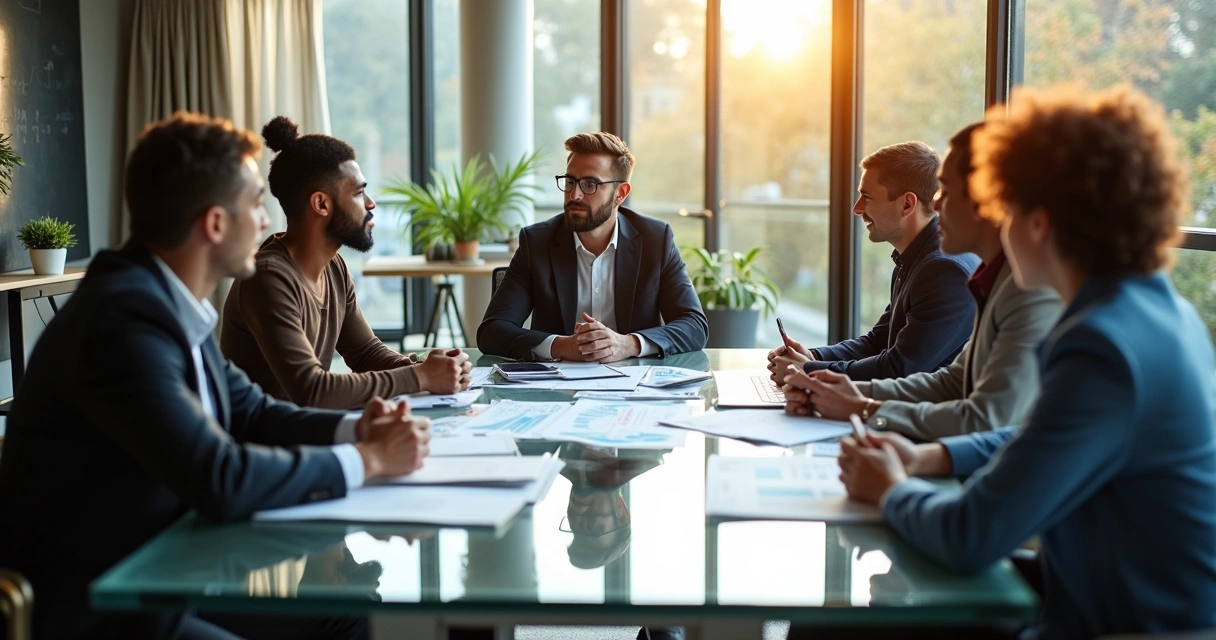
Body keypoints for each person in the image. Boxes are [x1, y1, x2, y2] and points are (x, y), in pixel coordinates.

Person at [0, 112, 432, 640]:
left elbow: (249, 410)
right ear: (215, 224)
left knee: (341, 610)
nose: (266, 220)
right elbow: (221, 476)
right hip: (99, 604)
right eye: (254, 203)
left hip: (170, 573)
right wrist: (364, 460)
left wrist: (358, 429)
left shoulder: (168, 299)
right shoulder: (121, 321)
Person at [834, 85, 1216, 639]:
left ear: (1036, 222)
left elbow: (973, 533)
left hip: (1123, 623)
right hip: (1104, 594)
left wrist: (891, 488)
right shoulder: (1158, 313)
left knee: (845, 621)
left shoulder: (1102, 347)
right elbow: (1032, 436)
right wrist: (930, 459)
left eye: (1001, 207)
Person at [782, 124, 1061, 440]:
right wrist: (834, 387)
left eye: (947, 193)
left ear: (990, 201)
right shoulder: (996, 278)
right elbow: (952, 382)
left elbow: (984, 418)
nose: (937, 205)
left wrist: (857, 405)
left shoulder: (1020, 288)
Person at [221, 116, 471, 411]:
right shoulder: (268, 277)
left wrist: (432, 368)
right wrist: (421, 376)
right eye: (358, 192)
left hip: (305, 433)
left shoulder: (334, 266)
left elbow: (364, 352)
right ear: (321, 204)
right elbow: (313, 390)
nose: (371, 203)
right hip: (265, 445)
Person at [477, 132, 708, 362]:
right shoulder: (536, 243)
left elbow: (694, 325)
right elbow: (492, 331)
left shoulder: (655, 240)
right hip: (556, 388)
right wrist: (560, 346)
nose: (574, 194)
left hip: (635, 387)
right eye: (570, 181)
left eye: (590, 184)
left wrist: (627, 344)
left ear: (620, 194)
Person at [769, 142, 979, 383]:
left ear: (907, 204)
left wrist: (808, 370)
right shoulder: (916, 259)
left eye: (866, 197)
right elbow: (877, 342)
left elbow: (900, 369)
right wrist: (811, 356)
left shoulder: (945, 271)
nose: (857, 209)